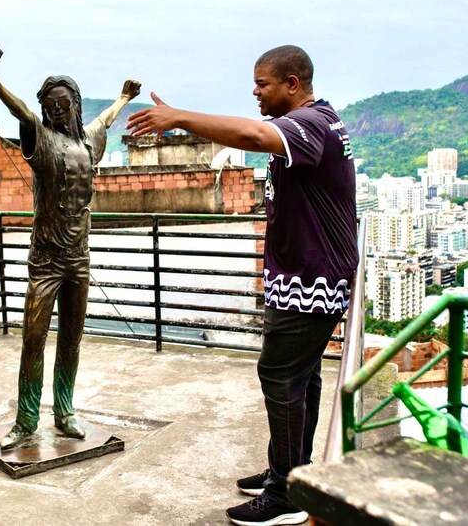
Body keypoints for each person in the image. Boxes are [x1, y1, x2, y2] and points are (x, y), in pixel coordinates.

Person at [127, 45, 358, 526]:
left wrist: (180, 119)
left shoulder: (309, 125)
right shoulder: (318, 119)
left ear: (292, 84)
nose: (255, 92)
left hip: (311, 281)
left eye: (263, 84)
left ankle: (286, 496)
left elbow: (253, 135)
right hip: (307, 277)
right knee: (301, 380)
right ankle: (290, 473)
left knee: (280, 378)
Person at [0, 43, 141, 450]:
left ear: (74, 104)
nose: (57, 109)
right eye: (50, 104)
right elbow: (20, 111)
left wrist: (123, 97)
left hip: (79, 260)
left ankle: (64, 411)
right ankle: (25, 420)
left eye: (64, 102)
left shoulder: (89, 142)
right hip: (47, 260)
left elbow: (105, 119)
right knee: (33, 340)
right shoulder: (41, 140)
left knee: (71, 337)